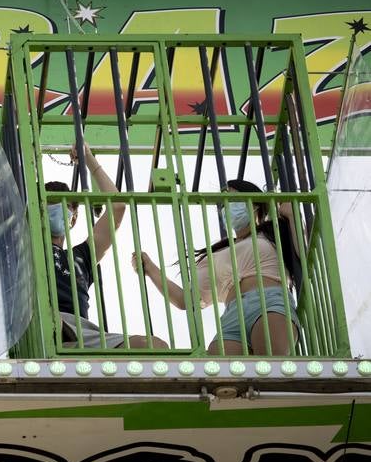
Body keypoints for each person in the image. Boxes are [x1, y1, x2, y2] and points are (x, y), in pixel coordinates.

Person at [133, 179, 300, 356]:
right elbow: (186, 300)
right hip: (232, 314)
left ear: (254, 204)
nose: (226, 207)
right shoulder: (220, 251)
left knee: (270, 371)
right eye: (223, 202)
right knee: (222, 379)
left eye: (233, 199)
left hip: (268, 300)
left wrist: (291, 215)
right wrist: (150, 269)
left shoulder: (272, 232)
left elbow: (300, 252)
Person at [46, 145, 166, 349]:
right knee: (51, 327)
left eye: (66, 206)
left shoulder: (81, 255)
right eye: (51, 203)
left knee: (154, 346)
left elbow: (117, 207)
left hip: (81, 331)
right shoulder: (24, 248)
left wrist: (88, 160)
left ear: (73, 218)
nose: (58, 209)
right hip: (46, 323)